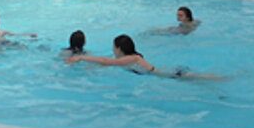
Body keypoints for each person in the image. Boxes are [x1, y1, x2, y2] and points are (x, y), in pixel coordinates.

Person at [66, 34, 220, 80]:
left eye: (113, 46)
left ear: (119, 48)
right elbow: (106, 62)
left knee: (202, 79)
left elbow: (107, 61)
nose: (112, 49)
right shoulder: (128, 58)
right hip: (167, 73)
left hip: (168, 74)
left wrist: (81, 58)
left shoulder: (131, 58)